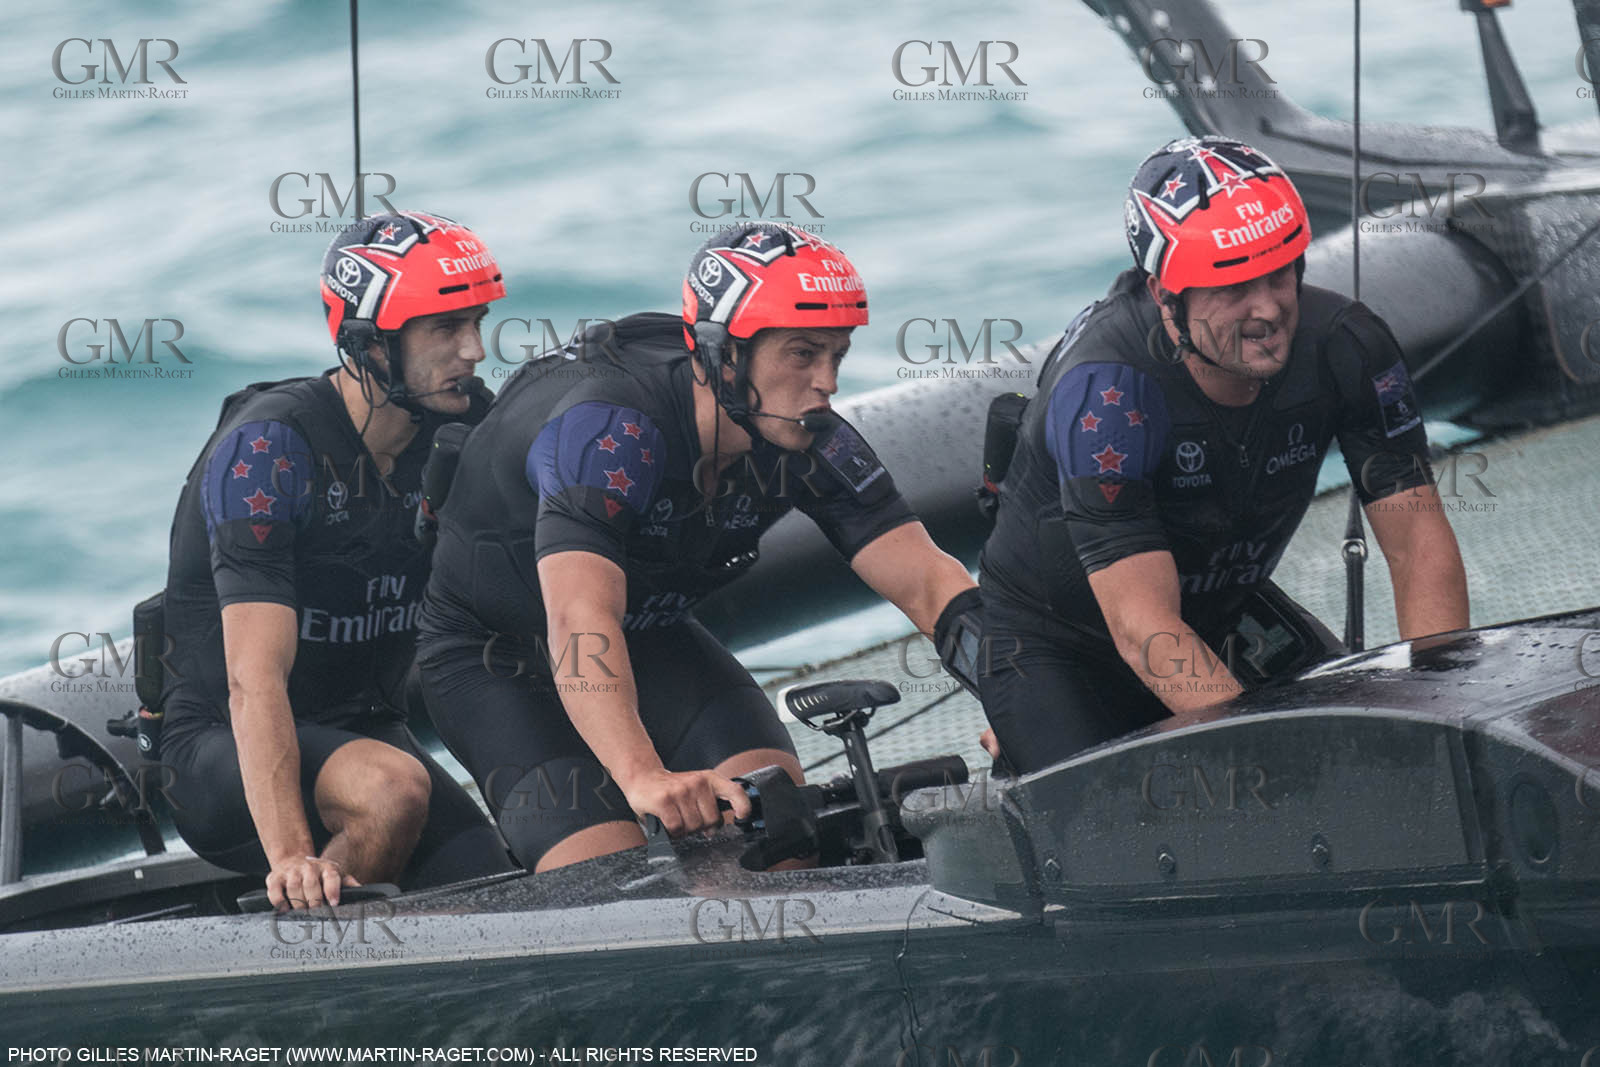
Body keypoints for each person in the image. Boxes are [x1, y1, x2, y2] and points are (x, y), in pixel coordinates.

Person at [415, 221, 979, 872]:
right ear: (724, 356)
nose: (826, 382)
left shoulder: (808, 436)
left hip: (645, 635)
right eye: (802, 353)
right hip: (496, 657)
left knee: (778, 842)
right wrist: (644, 776)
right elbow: (578, 617)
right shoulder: (614, 430)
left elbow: (933, 583)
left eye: (837, 354)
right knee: (612, 889)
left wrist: (1018, 705)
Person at [977, 136, 1470, 775]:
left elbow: (1418, 543)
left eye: (1280, 271)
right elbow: (1141, 625)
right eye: (1233, 285)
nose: (1267, 308)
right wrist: (1260, 760)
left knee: (1366, 756)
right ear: (1165, 296)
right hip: (1058, 647)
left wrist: (1444, 703)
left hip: (1217, 612)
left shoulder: (1347, 344)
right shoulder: (1110, 392)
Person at [159, 210, 516, 910]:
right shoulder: (268, 449)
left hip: (363, 724)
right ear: (371, 342)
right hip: (220, 745)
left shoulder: (463, 419)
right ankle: (305, 937)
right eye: (446, 328)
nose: (474, 350)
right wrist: (292, 856)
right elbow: (252, 678)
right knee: (390, 790)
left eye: (477, 322)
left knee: (492, 886)